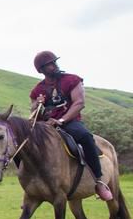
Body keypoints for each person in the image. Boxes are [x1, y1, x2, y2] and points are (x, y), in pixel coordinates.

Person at [29, 51, 113, 201]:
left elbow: (79, 103)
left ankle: (99, 182)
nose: (54, 65)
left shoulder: (72, 80)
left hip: (69, 123)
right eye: (49, 64)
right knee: (25, 143)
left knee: (86, 137)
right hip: (45, 126)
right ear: (41, 69)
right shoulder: (37, 90)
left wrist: (61, 120)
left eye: (54, 62)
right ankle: (31, 189)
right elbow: (33, 111)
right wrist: (37, 104)